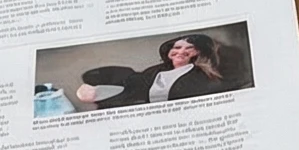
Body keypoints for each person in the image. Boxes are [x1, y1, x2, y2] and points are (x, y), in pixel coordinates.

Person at [72, 33, 252, 110]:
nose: (181, 52)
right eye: (177, 47)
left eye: (188, 48)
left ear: (197, 53)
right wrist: (95, 88)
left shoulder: (201, 77)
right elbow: (133, 79)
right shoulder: (156, 71)